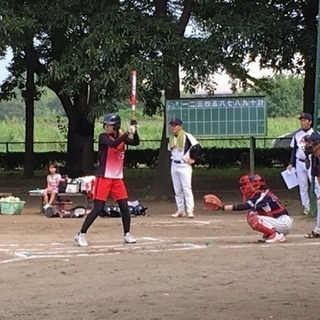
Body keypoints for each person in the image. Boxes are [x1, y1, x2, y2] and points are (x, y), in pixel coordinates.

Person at [75, 113, 139, 247]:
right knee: (98, 208)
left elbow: (136, 142)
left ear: (116, 126)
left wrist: (135, 131)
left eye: (110, 125)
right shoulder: (103, 137)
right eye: (106, 124)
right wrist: (127, 132)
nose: (107, 127)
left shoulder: (121, 136)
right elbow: (114, 143)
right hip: (104, 177)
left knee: (125, 207)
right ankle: (81, 233)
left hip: (117, 178)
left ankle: (127, 234)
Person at [217, 173, 293, 243]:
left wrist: (222, 208)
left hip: (283, 222)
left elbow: (246, 206)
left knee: (252, 216)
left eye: (247, 184)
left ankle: (276, 235)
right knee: (254, 212)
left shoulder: (262, 195)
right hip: (280, 220)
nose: (245, 187)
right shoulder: (262, 193)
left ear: (257, 186)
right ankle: (272, 233)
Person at [287, 112, 320, 215]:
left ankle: (318, 205)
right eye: (301, 120)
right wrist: (291, 163)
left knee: (316, 184)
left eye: (305, 120)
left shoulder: (315, 133)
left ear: (310, 122)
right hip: (300, 162)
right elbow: (294, 150)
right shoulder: (297, 135)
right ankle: (307, 207)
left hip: (312, 160)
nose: (302, 122)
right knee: (303, 186)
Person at [168, 117, 201, 218]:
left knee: (186, 188)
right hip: (174, 164)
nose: (173, 127)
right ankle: (180, 209)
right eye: (172, 125)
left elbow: (198, 147)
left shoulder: (187, 136)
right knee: (177, 189)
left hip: (184, 165)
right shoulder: (172, 138)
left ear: (180, 126)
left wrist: (193, 159)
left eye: (175, 125)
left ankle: (190, 210)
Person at [303, 132, 320, 238]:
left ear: (318, 145)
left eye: (311, 143)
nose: (308, 146)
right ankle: (318, 230)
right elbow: (318, 176)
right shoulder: (314, 158)